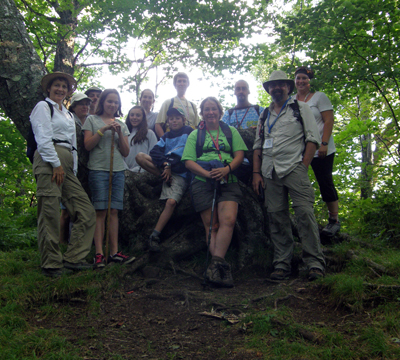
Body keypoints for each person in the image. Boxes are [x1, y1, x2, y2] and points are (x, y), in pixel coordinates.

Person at [252, 70, 325, 282]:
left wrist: (303, 166)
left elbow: (313, 139)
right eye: (272, 85)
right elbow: (258, 145)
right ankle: (282, 263)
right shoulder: (264, 114)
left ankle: (314, 263)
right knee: (276, 217)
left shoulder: (300, 108)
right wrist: (257, 173)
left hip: (294, 168)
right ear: (268, 90)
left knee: (304, 214)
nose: (276, 88)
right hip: (269, 171)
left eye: (280, 85)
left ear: (288, 87)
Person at [30, 72, 96, 277]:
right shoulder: (43, 107)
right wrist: (55, 164)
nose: (60, 89)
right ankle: (50, 264)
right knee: (49, 212)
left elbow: (73, 145)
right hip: (49, 158)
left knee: (85, 210)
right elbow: (42, 137)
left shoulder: (67, 114)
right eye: (56, 86)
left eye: (64, 87)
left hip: (66, 162)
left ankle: (74, 257)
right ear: (48, 89)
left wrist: (71, 168)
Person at [182, 97, 248, 288]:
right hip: (203, 181)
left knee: (228, 220)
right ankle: (221, 268)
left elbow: (239, 155)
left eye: (214, 109)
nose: (211, 112)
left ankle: (215, 264)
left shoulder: (230, 131)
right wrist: (207, 174)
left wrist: (226, 170)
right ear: (202, 113)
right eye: (207, 110)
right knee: (212, 225)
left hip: (228, 179)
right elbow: (188, 161)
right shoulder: (196, 134)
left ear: (220, 112)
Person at [83, 89, 134, 268]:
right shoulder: (91, 120)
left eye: (116, 102)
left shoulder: (122, 124)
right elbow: (88, 145)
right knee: (100, 211)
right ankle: (99, 253)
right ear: (102, 102)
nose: (113, 105)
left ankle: (114, 251)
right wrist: (104, 129)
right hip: (98, 169)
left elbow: (126, 152)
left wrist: (119, 133)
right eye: (109, 101)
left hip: (118, 170)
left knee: (114, 211)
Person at [136, 107, 193, 252]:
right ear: (167, 121)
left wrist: (171, 165)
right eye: (171, 118)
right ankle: (165, 177)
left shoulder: (189, 132)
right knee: (140, 157)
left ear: (183, 120)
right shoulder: (166, 136)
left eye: (177, 118)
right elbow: (155, 151)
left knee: (171, 202)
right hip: (165, 167)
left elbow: (188, 155)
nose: (174, 121)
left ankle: (155, 235)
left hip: (180, 172)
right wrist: (166, 164)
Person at [294, 66, 340, 237]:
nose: (301, 81)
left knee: (325, 181)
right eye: (298, 78)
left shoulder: (319, 97)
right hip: (300, 150)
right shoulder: (291, 100)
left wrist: (324, 143)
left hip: (321, 149)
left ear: (309, 81)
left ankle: (334, 220)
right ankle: (304, 221)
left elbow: (328, 120)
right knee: (298, 183)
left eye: (304, 78)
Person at [59, 93, 92, 244]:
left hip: (86, 170)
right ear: (73, 106)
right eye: (81, 104)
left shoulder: (90, 122)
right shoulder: (68, 120)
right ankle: (62, 242)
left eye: (87, 104)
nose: (84, 107)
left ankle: (77, 241)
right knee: (66, 210)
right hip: (70, 168)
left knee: (81, 207)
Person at [155, 72, 199, 138]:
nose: (182, 84)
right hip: (173, 138)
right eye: (179, 81)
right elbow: (158, 125)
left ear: (188, 84)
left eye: (184, 81)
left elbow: (197, 126)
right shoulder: (169, 102)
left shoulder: (192, 105)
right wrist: (165, 141)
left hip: (190, 138)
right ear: (175, 84)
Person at [124, 105, 158, 172]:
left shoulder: (149, 133)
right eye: (132, 115)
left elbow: (153, 154)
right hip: (126, 171)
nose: (134, 117)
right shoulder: (124, 134)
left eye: (138, 115)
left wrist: (141, 169)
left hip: (143, 171)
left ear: (143, 117)